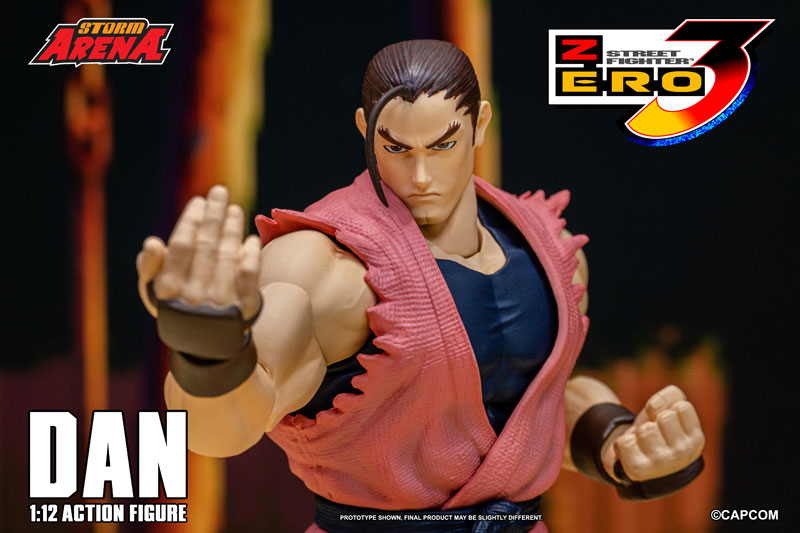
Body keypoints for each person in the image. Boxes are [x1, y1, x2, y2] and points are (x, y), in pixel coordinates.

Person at [136, 40, 704, 532]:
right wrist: (209, 355)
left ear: (479, 124)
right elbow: (222, 431)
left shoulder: (550, 252)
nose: (421, 176)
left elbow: (535, 405)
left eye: (443, 144)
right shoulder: (322, 265)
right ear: (366, 130)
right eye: (397, 149)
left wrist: (617, 442)